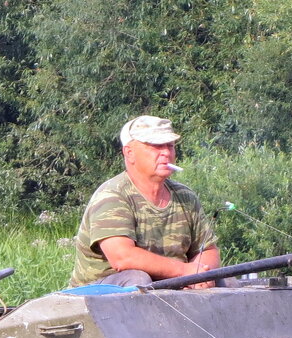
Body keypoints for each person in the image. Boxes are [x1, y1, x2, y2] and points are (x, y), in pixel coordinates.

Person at [68, 115, 220, 289]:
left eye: (170, 146)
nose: (166, 153)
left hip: (168, 285)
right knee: (137, 280)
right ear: (129, 152)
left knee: (225, 280)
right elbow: (122, 258)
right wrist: (184, 272)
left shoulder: (185, 197)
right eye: (156, 146)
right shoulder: (113, 196)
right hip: (98, 296)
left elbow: (208, 250)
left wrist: (199, 274)